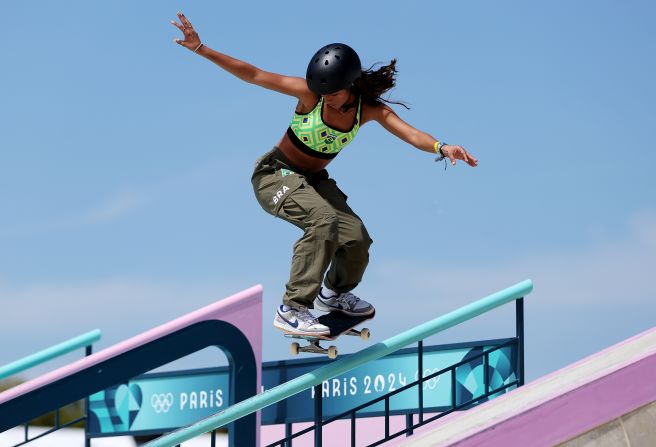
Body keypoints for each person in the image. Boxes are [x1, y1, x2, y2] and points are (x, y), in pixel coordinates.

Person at [171, 12, 478, 337]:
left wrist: (442, 147)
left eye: (333, 94)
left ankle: (333, 293)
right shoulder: (309, 95)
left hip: (313, 182)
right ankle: (292, 307)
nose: (327, 99)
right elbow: (254, 74)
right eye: (323, 93)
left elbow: (411, 134)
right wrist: (201, 48)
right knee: (323, 220)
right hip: (275, 175)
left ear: (350, 86)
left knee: (356, 238)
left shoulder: (369, 110)